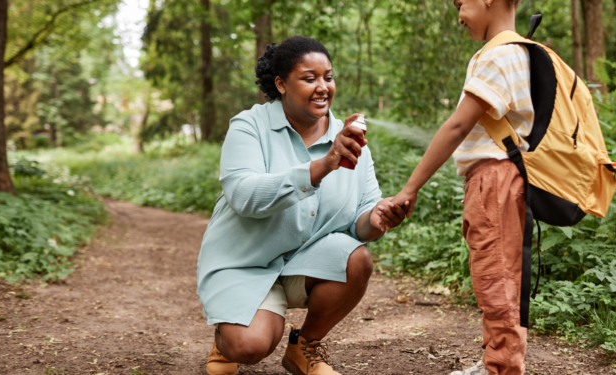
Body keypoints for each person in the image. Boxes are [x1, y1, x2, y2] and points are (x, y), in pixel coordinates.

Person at [196, 36, 407, 375]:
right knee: (249, 347)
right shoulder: (249, 126)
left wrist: (378, 217)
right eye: (310, 78)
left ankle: (304, 347)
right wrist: (323, 165)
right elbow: (244, 196)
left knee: (358, 257)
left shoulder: (350, 141)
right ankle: (227, 337)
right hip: (245, 263)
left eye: (329, 77)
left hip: (304, 264)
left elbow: (360, 222)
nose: (323, 87)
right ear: (281, 84)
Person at [385, 0, 532, 374]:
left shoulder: (497, 56)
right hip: (509, 176)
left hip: (494, 179)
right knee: (500, 274)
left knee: (493, 276)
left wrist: (410, 188)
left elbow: (456, 126)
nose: (458, 14)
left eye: (460, 3)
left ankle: (500, 368)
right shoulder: (524, 52)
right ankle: (497, 362)